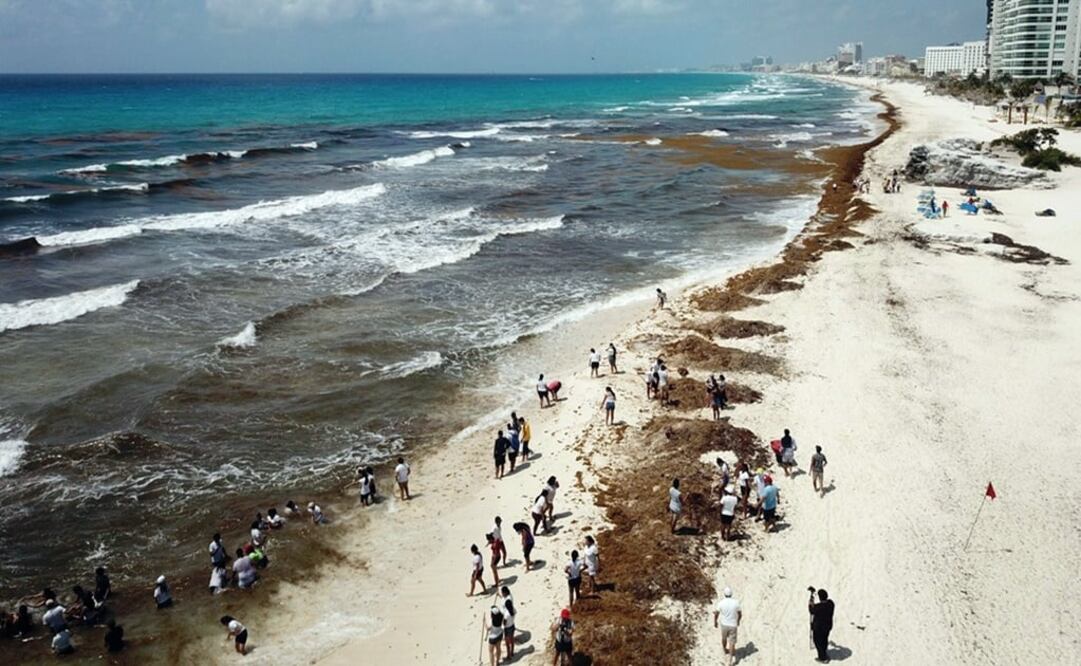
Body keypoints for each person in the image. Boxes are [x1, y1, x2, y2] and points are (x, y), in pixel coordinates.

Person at [713, 586, 742, 666]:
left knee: (724, 638)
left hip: (724, 624)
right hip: (733, 624)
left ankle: (725, 649)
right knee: (732, 642)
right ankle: (730, 660)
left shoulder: (721, 603)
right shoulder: (736, 602)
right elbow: (740, 614)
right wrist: (738, 621)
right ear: (731, 594)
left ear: (724, 594)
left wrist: (715, 622)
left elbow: (716, 613)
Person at [809, 589, 835, 663]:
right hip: (827, 627)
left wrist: (811, 599)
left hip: (818, 628)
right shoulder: (831, 604)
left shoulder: (818, 607)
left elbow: (811, 609)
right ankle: (824, 653)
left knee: (818, 642)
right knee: (824, 640)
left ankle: (823, 658)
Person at [500, 587, 517, 659]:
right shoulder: (513, 610)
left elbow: (504, 623)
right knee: (512, 639)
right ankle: (512, 652)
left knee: (507, 642)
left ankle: (508, 655)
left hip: (507, 628)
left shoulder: (506, 615)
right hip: (512, 625)